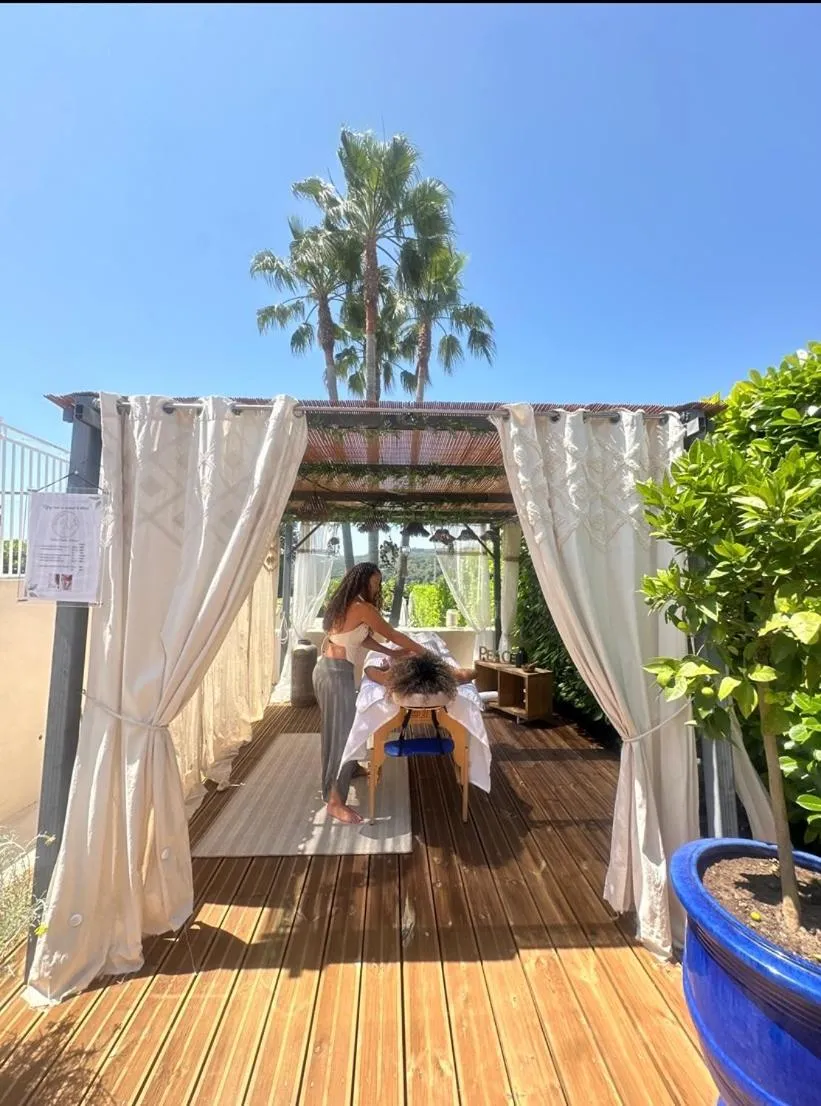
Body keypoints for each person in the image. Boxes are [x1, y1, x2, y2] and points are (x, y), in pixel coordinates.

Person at [315, 562, 426, 824]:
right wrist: (424, 652)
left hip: (329, 670)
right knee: (342, 737)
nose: (377, 587)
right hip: (335, 674)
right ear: (362, 581)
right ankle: (335, 802)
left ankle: (349, 769)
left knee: (336, 730)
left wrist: (390, 652)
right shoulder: (362, 608)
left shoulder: (349, 604)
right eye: (374, 583)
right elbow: (393, 634)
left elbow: (360, 637)